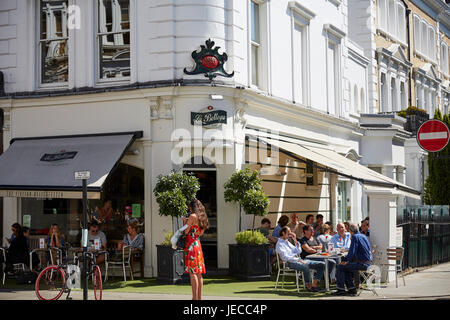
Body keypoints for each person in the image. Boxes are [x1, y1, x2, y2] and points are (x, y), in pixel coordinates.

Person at [275, 226, 325, 292]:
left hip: (299, 260)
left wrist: (295, 240)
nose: (290, 234)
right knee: (305, 266)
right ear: (283, 233)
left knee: (322, 264)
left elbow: (298, 251)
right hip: (290, 263)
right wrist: (297, 260)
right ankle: (308, 285)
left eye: (290, 233)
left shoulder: (287, 242)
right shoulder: (280, 244)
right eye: (288, 233)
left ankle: (314, 284)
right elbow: (285, 257)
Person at [332, 223, 373, 296]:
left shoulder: (355, 237)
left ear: (350, 231)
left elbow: (352, 251)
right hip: (368, 262)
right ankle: (351, 289)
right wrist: (347, 261)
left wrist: (346, 261)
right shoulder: (363, 236)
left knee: (340, 267)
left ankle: (341, 289)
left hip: (362, 263)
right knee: (346, 267)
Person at [184, 199, 209, 300]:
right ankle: (199, 298)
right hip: (197, 245)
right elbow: (200, 233)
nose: (189, 209)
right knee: (198, 273)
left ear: (192, 207)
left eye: (189, 207)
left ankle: (194, 298)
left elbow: (186, 231)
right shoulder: (202, 217)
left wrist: (186, 222)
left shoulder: (192, 216)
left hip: (190, 245)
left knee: (192, 272)